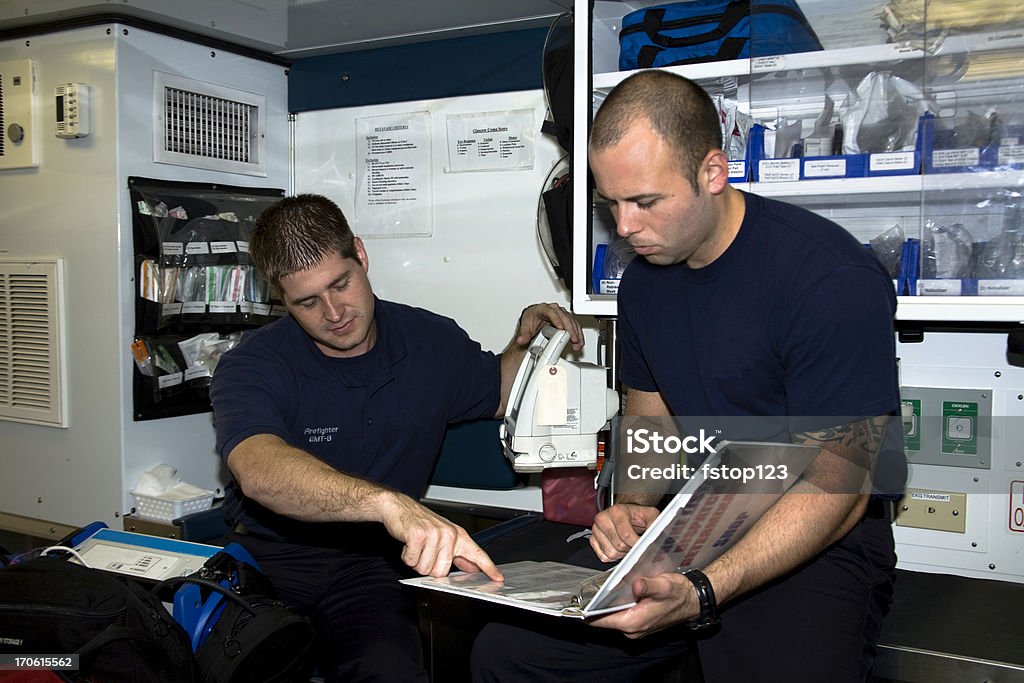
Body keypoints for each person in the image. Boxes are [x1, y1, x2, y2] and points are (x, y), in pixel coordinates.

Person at [471, 70, 903, 682]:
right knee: (511, 654)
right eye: (610, 203)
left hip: (815, 537)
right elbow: (652, 415)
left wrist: (702, 590)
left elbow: (840, 484)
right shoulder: (646, 283)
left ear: (712, 173)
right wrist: (633, 505)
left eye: (645, 202)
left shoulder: (828, 279)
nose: (623, 228)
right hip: (700, 523)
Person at [209, 193, 582, 682]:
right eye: (306, 301)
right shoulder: (253, 363)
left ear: (360, 256)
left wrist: (526, 343)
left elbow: (498, 391)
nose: (334, 311)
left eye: (340, 283)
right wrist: (389, 504)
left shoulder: (430, 340)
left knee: (390, 669)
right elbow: (259, 470)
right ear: (280, 299)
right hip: (268, 561)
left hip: (367, 566)